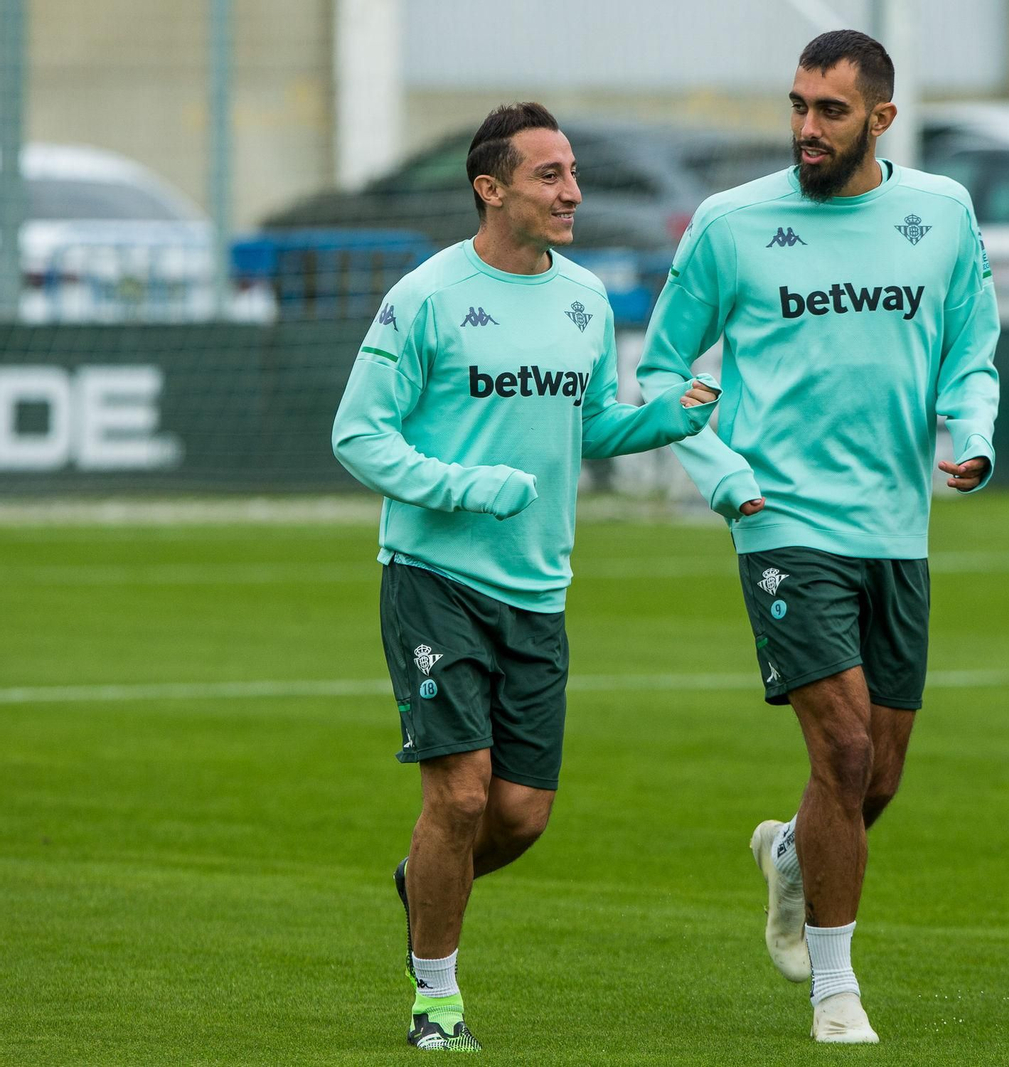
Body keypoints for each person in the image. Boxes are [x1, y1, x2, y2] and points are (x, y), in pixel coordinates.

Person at [635, 29, 999, 1045]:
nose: (805, 127)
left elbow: (973, 346)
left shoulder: (940, 213)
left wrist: (971, 432)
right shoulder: (731, 224)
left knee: (876, 775)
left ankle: (793, 853)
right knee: (840, 749)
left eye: (828, 110)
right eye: (796, 105)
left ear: (881, 118)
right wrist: (723, 471)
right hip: (781, 521)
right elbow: (662, 373)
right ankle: (835, 988)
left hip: (897, 526)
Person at [331, 102, 719, 1052]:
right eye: (549, 175)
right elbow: (357, 434)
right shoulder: (424, 295)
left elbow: (588, 427)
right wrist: (463, 484)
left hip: (538, 593)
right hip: (434, 577)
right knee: (460, 796)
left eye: (573, 171)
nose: (573, 191)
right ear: (489, 188)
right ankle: (437, 1001)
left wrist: (668, 418)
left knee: (518, 816)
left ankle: (424, 882)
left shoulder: (586, 299)